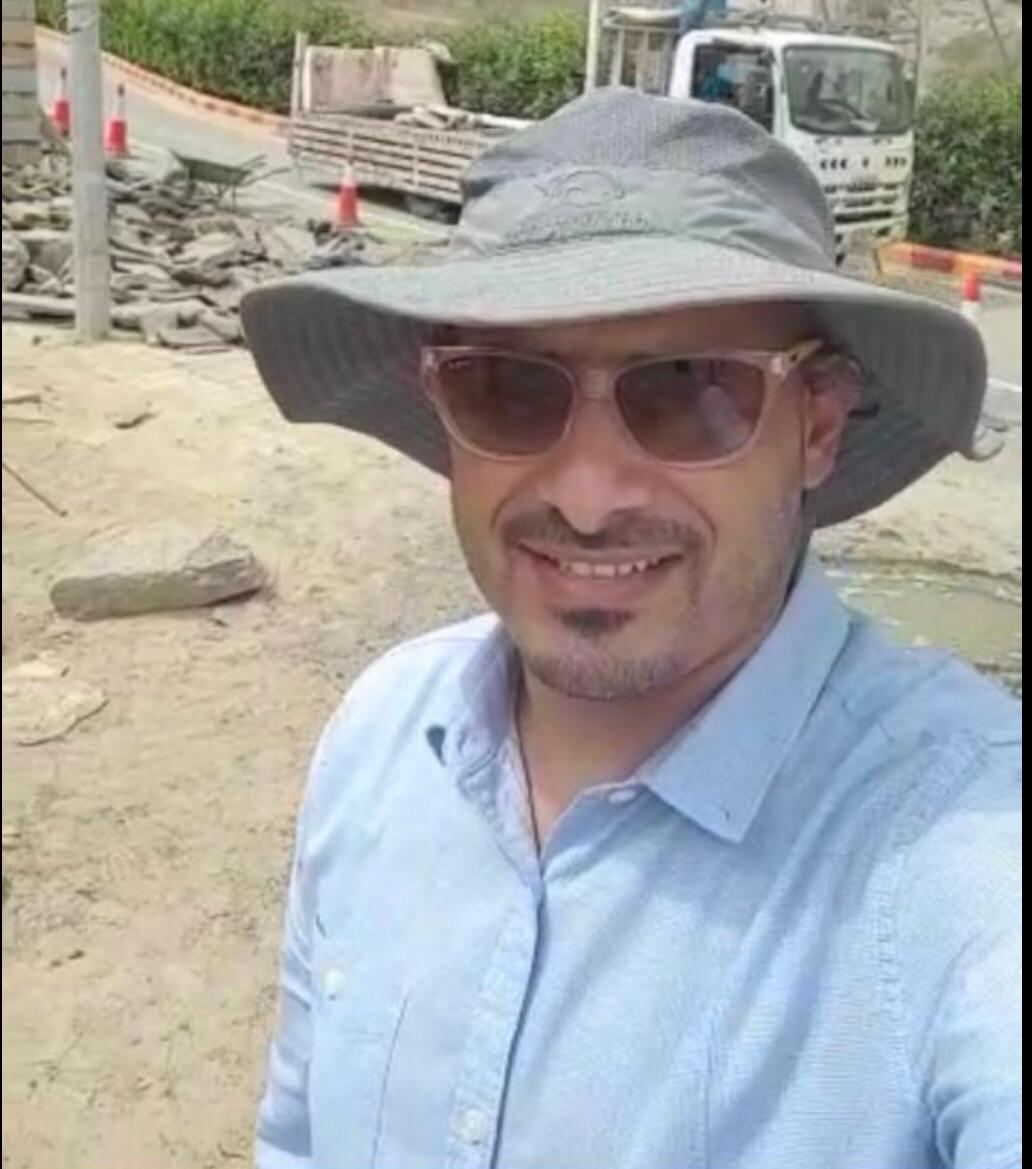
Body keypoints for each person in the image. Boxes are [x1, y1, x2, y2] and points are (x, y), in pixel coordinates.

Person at [242, 89, 1021, 1169]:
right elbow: (297, 1136)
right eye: (508, 388)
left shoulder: (960, 841)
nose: (589, 495)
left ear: (818, 427)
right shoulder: (381, 739)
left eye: (691, 391)